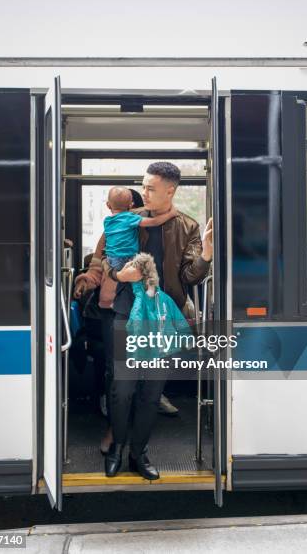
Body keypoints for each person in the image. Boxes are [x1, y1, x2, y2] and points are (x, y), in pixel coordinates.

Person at [75, 162, 213, 480]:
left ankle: (139, 453)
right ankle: (117, 450)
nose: (144, 192)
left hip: (162, 319)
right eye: (144, 185)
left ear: (170, 190)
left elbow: (189, 275)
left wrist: (205, 255)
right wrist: (117, 273)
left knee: (151, 394)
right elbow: (108, 259)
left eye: (150, 187)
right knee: (121, 389)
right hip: (126, 313)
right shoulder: (129, 220)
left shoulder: (188, 226)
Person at [103, 186, 178, 272]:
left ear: (108, 205)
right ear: (131, 205)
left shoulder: (107, 221)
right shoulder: (129, 218)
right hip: (125, 258)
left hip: (110, 259)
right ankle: (147, 285)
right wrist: (170, 214)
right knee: (143, 273)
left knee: (134, 278)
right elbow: (154, 222)